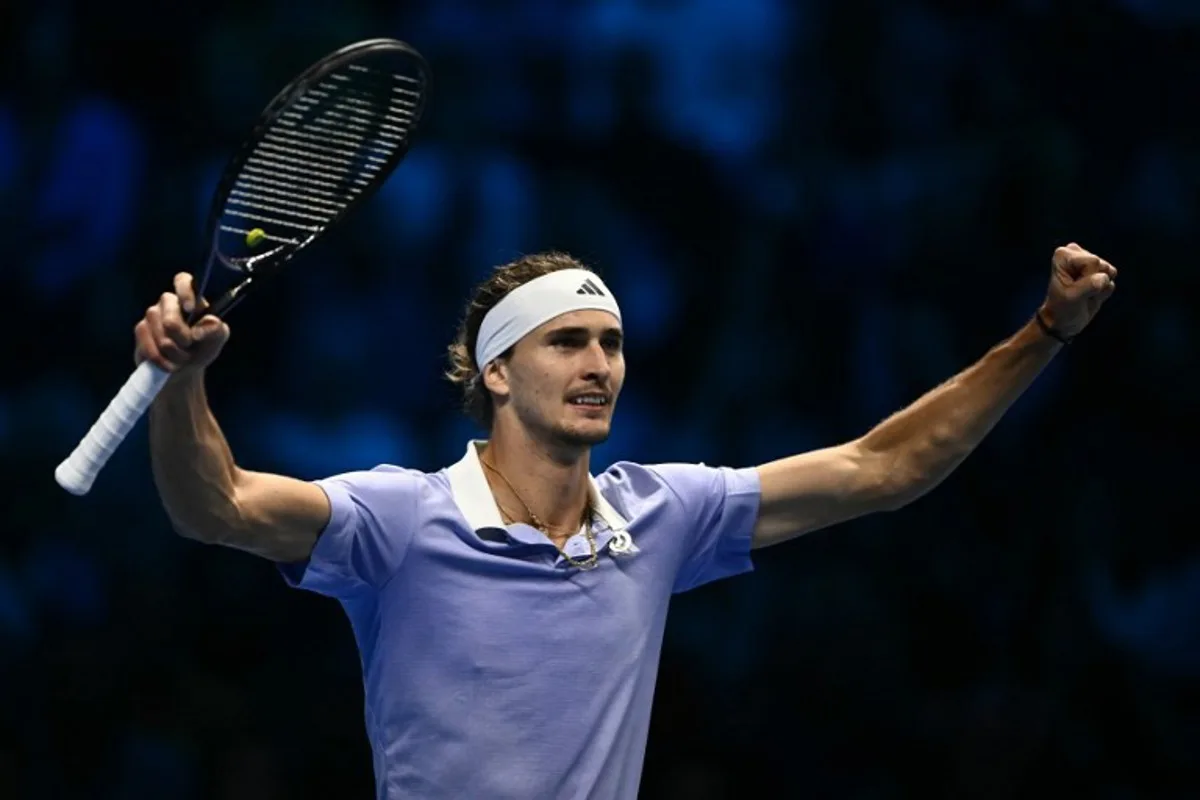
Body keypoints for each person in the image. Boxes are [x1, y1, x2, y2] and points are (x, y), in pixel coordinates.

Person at [140, 245, 1116, 798]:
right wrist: (183, 382)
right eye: (566, 341)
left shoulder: (661, 513)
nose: (598, 362)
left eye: (610, 341)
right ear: (496, 371)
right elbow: (214, 504)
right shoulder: (399, 518)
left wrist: (1043, 333)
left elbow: (885, 466)